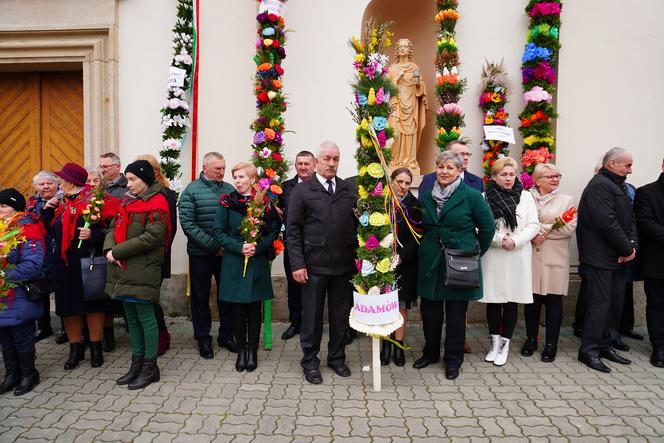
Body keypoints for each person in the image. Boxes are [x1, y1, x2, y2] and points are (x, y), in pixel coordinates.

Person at [412, 154, 495, 379]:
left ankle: (453, 360)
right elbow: (420, 227)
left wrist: (475, 253)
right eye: (441, 167)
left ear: (459, 171)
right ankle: (430, 353)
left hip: (459, 261)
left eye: (450, 167)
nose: (444, 171)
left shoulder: (472, 196)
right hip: (431, 261)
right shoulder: (427, 195)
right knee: (429, 311)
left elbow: (488, 229)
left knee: (456, 314)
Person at [286, 141, 358, 385]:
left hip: (343, 266)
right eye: (327, 158)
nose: (331, 163)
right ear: (317, 162)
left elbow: (358, 224)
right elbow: (293, 230)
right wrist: (297, 264)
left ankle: (337, 358)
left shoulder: (348, 189)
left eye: (336, 158)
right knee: (312, 318)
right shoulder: (303, 190)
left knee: (340, 317)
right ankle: (310, 362)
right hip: (313, 267)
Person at [104, 160, 170, 390]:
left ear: (146, 179)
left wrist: (117, 251)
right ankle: (137, 364)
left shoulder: (158, 202)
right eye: (127, 179)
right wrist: (109, 249)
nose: (128, 184)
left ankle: (150, 367)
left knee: (146, 318)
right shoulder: (128, 200)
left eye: (133, 179)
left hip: (142, 268)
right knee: (131, 318)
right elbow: (114, 226)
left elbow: (153, 237)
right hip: (123, 268)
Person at [214, 163, 280, 372]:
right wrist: (239, 247)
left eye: (242, 177)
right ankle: (241, 350)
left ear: (252, 179)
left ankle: (252, 351)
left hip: (256, 261)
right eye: (235, 177)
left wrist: (257, 247)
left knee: (253, 310)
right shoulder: (227, 202)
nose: (237, 181)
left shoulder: (264, 202)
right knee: (237, 310)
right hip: (234, 261)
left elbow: (274, 229)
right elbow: (218, 231)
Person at [52, 162, 118, 370]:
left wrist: (93, 234)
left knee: (93, 305)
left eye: (61, 178)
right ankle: (75, 349)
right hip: (65, 263)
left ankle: (96, 348)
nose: (58, 182)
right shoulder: (60, 202)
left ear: (71, 181)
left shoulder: (96, 201)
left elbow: (112, 231)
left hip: (88, 261)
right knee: (68, 308)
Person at [577, 147, 637, 373]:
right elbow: (606, 222)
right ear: (612, 164)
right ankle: (588, 351)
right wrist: (626, 248)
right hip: (601, 257)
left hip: (619, 256)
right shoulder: (599, 186)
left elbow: (630, 220)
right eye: (627, 165)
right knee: (599, 306)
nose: (630, 170)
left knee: (614, 305)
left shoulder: (618, 184)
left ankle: (605, 345)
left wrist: (631, 246)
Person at [480, 157, 539, 366]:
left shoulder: (526, 197)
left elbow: (533, 225)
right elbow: (479, 225)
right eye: (503, 175)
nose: (508, 178)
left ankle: (504, 346)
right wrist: (498, 240)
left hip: (517, 254)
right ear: (494, 177)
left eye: (511, 174)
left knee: (512, 300)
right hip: (494, 254)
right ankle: (494, 344)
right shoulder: (484, 196)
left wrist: (515, 240)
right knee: (494, 300)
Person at [179, 152, 236, 359]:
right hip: (200, 255)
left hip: (226, 255)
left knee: (227, 296)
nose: (222, 172)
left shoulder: (230, 190)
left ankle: (227, 335)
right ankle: (203, 338)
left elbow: (235, 221)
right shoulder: (191, 191)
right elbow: (188, 224)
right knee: (200, 298)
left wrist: (228, 245)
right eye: (217, 168)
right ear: (205, 168)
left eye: (223, 168)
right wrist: (214, 246)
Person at [521, 164, 577, 362]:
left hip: (555, 258)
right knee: (532, 302)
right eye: (550, 176)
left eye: (557, 176)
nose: (555, 179)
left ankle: (551, 344)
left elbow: (569, 227)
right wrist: (533, 233)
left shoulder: (566, 200)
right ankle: (531, 340)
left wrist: (539, 231)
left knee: (554, 302)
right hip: (530, 257)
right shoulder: (525, 197)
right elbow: (521, 222)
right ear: (537, 180)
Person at [0, 189, 44, 396]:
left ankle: (29, 373)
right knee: (4, 336)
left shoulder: (27, 229)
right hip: (2, 293)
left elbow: (33, 265)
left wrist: (3, 275)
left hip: (18, 292)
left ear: (16, 208)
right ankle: (11, 374)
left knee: (21, 335)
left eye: (3, 206)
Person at [135, 154, 178, 356]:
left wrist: (159, 253)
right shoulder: (136, 195)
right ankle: (146, 338)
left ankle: (161, 337)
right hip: (137, 257)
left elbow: (169, 229)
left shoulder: (166, 194)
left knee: (150, 299)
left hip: (156, 256)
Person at [380, 168, 423, 367]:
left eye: (407, 182)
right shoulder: (382, 201)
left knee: (401, 305)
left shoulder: (415, 205)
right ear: (392, 181)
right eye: (400, 181)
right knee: (384, 304)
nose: (403, 186)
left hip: (405, 263)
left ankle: (398, 344)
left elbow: (419, 237)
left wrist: (401, 257)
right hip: (382, 262)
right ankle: (385, 344)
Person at [279, 151, 317, 341]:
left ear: (314, 165)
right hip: (293, 246)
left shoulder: (322, 187)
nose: (303, 167)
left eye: (307, 164)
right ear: (295, 165)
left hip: (316, 247)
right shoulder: (286, 187)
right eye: (299, 163)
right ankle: (295, 323)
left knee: (314, 287)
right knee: (294, 287)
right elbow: (278, 216)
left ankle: (312, 325)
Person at [634, 157, 664, 368]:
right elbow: (645, 224)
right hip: (657, 262)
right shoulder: (647, 192)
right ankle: (658, 347)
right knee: (657, 305)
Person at [26, 171, 61, 342]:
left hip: (58, 249)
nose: (46, 187)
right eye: (41, 184)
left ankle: (66, 328)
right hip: (39, 251)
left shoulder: (63, 200)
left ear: (57, 185)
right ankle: (44, 326)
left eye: (49, 183)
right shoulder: (32, 203)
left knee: (62, 288)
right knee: (40, 288)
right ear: (35, 187)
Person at [387, 38, 428, 175]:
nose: (403, 48)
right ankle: (394, 162)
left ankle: (409, 162)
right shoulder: (392, 69)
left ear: (409, 50)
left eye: (405, 46)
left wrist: (418, 84)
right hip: (396, 105)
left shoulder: (414, 67)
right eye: (401, 46)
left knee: (410, 134)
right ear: (397, 50)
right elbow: (386, 90)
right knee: (395, 134)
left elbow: (419, 86)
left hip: (410, 106)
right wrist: (396, 78)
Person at [419, 141, 484, 197]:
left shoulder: (477, 181)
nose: (466, 157)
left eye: (467, 154)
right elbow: (422, 207)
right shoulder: (429, 179)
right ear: (448, 155)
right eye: (462, 154)